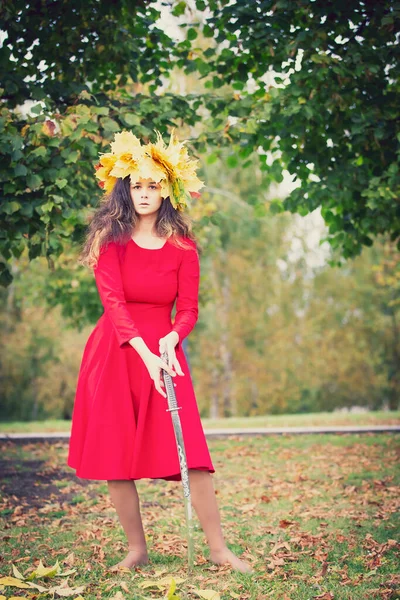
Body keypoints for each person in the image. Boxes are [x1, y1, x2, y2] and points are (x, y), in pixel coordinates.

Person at [67, 130, 252, 574]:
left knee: (193, 450)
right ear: (125, 190)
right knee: (117, 454)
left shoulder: (183, 247)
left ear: (168, 190)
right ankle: (136, 550)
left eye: (153, 185)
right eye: (137, 185)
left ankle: (218, 549)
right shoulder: (109, 241)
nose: (145, 193)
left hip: (166, 354)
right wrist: (144, 351)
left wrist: (172, 338)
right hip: (116, 349)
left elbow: (188, 308)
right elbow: (112, 302)